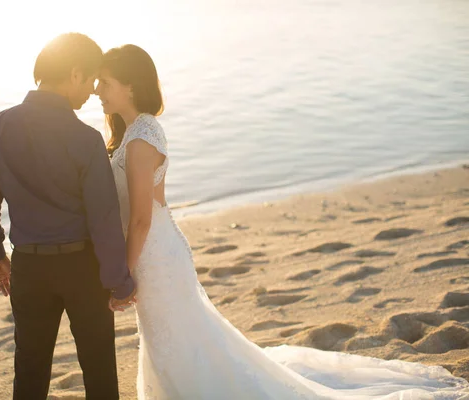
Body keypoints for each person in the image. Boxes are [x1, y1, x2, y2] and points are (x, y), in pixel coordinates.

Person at [95, 43, 469, 399]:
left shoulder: (141, 138)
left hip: (154, 253)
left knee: (176, 341)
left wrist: (123, 279)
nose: (98, 90)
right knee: (178, 338)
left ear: (130, 85)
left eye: (105, 83)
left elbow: (142, 217)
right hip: (157, 249)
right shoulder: (136, 130)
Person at [0, 33, 135, 400]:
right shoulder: (86, 138)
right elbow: (104, 220)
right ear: (75, 74)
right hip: (83, 270)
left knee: (29, 372)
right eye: (92, 80)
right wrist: (118, 281)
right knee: (99, 372)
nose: (93, 91)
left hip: (28, 268)